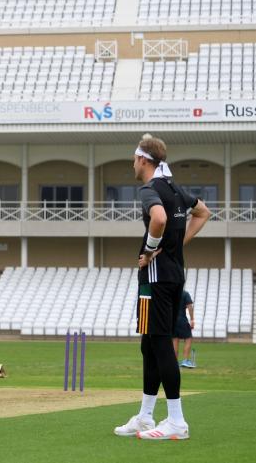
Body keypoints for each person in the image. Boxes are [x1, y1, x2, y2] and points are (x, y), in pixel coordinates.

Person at [114, 134, 210, 441]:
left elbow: (158, 217)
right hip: (172, 277)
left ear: (143, 159)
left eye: (134, 158)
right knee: (149, 345)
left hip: (154, 280)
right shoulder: (175, 188)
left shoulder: (150, 189)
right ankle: (144, 416)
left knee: (159, 345)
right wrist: (175, 244)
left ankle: (177, 421)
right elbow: (203, 212)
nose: (133, 163)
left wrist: (152, 248)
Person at [173, 290, 196, 368]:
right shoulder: (185, 293)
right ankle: (185, 360)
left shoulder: (169, 293)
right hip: (182, 319)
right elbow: (190, 307)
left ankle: (174, 362)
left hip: (172, 320)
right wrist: (192, 319)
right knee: (188, 338)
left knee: (175, 340)